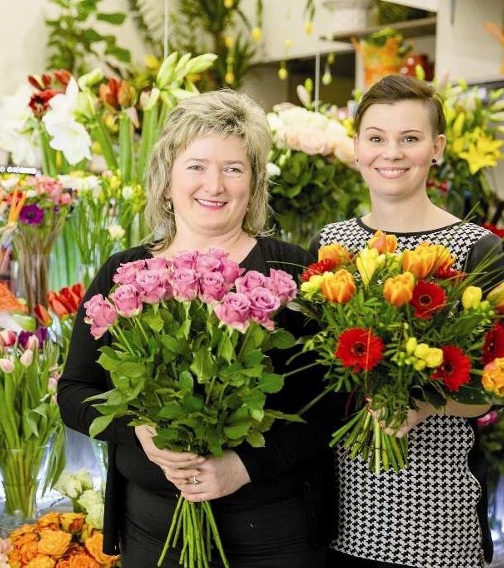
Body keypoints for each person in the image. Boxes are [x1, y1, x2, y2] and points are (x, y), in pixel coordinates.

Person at [57, 90, 339, 567]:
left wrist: (243, 467)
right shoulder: (125, 274)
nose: (216, 184)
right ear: (166, 180)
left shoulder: (293, 272)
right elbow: (74, 391)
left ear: (253, 184)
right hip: (154, 531)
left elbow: (331, 402)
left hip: (274, 531)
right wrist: (137, 430)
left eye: (234, 168)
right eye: (196, 166)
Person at [313, 75, 504, 568]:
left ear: (437, 148)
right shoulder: (332, 245)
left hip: (436, 519)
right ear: (357, 147)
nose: (392, 153)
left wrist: (425, 405)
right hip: (338, 510)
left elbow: (500, 387)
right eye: (377, 137)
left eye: (410, 138)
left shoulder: (478, 250)